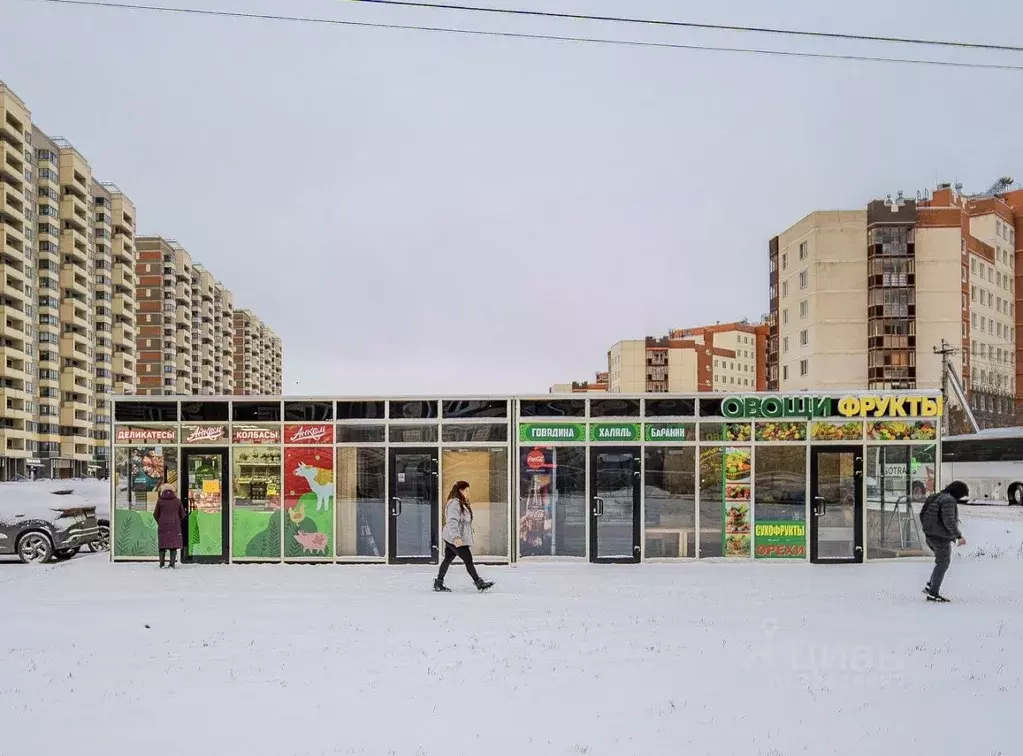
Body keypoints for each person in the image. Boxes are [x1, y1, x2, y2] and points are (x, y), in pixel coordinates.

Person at [434, 481, 494, 593]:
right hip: (454, 538)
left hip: (454, 537)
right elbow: (452, 521)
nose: (468, 493)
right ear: (460, 491)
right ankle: (479, 583)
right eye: (466, 490)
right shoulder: (455, 504)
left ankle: (438, 583)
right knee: (468, 560)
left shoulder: (461, 502)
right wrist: (456, 537)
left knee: (448, 559)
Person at [919, 480, 969, 602]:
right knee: (943, 563)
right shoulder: (949, 500)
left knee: (940, 562)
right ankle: (933, 593)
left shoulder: (935, 496)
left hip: (930, 535)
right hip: (940, 537)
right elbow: (949, 521)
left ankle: (931, 585)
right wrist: (958, 536)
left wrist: (929, 528)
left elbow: (922, 514)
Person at [153, 483, 186, 568]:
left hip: (163, 525)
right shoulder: (177, 501)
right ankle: (172, 563)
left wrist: (159, 521)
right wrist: (178, 521)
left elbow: (155, 514)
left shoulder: (160, 500)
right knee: (173, 545)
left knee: (162, 544)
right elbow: (182, 514)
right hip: (174, 525)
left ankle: (161, 563)